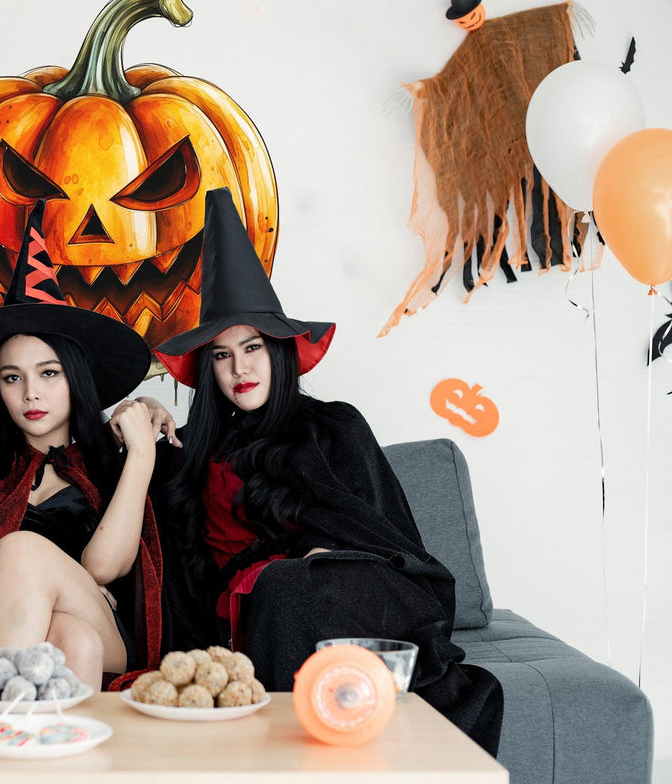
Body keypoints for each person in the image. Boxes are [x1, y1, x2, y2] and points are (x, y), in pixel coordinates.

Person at [144, 187, 503, 753]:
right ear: (207, 369)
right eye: (221, 354)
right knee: (282, 587)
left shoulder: (332, 426)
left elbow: (387, 540)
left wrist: (323, 555)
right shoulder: (187, 453)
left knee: (291, 582)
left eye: (254, 347)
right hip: (252, 612)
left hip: (351, 592)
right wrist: (138, 418)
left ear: (281, 351)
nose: (240, 367)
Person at [0, 200, 165, 691]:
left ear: (76, 378)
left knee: (24, 551)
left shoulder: (110, 462)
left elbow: (104, 567)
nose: (31, 392)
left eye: (49, 373)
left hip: (107, 628)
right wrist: (44, 593)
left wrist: (141, 455)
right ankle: (57, 763)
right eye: (13, 377)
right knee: (73, 639)